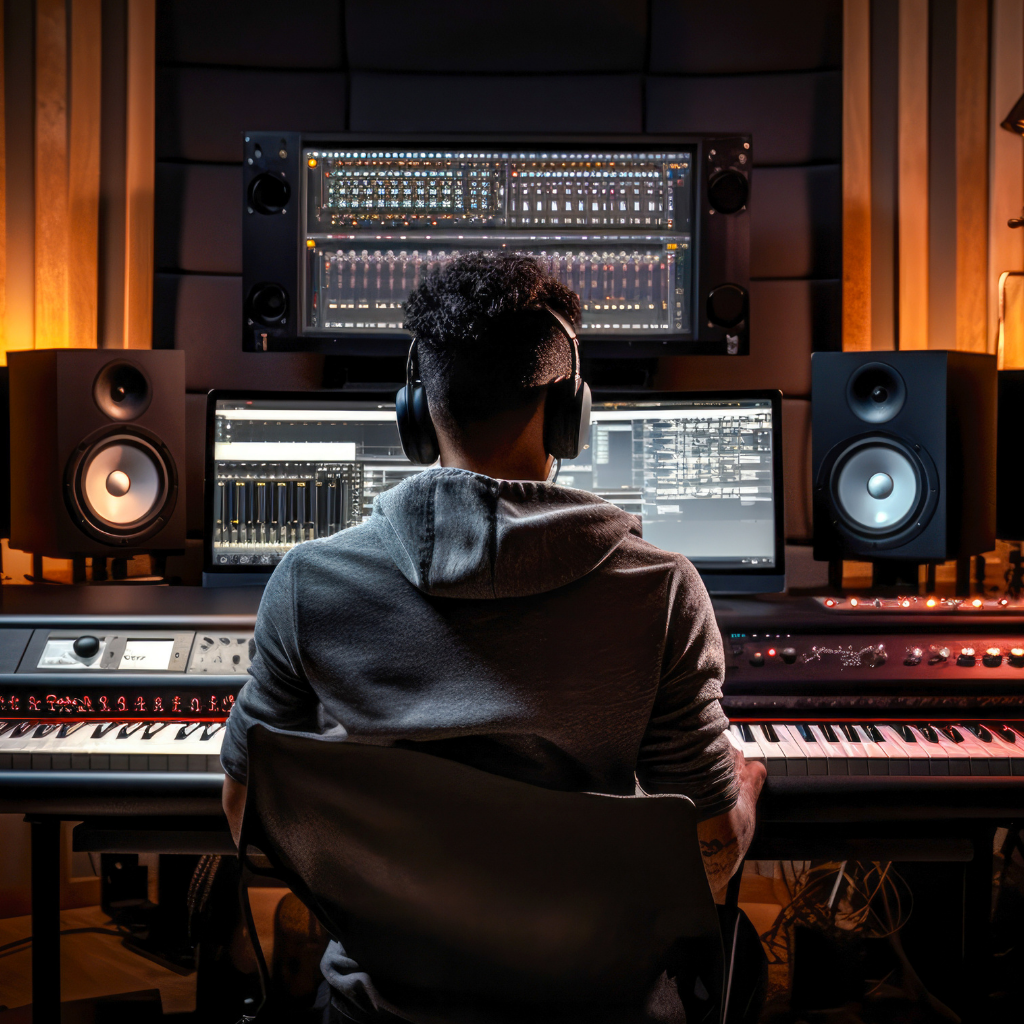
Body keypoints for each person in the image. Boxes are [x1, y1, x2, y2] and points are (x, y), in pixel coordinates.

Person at [220, 252, 766, 1018]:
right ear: (569, 412)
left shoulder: (307, 583)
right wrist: (741, 792)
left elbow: (250, 811)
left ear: (415, 411)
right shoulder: (662, 588)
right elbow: (707, 860)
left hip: (378, 1007)